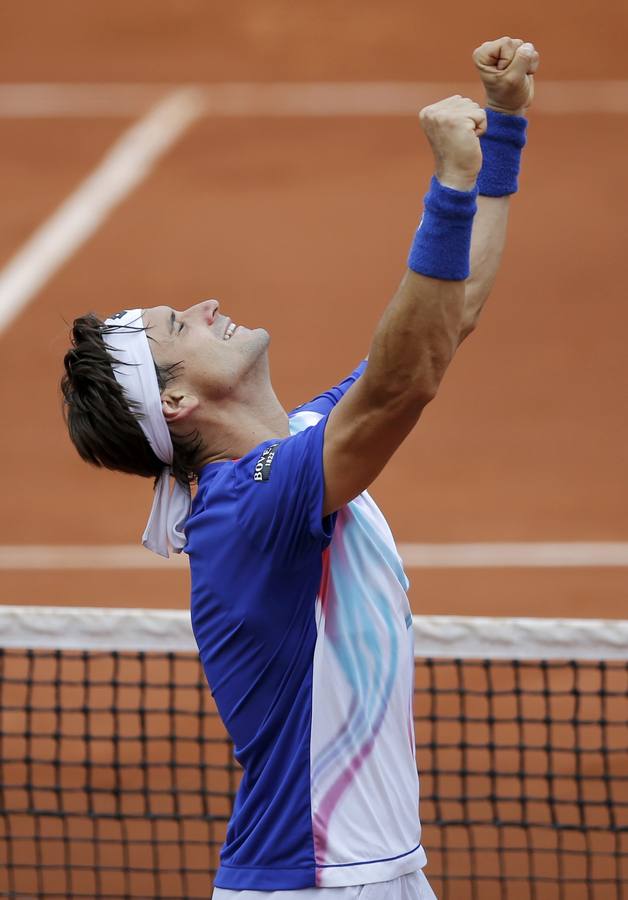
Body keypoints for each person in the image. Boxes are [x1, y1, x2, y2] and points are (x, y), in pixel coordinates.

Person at [61, 36, 539, 900]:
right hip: (318, 885)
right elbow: (402, 383)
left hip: (365, 876)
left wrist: (502, 135)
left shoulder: (291, 452)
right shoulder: (246, 508)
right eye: (181, 325)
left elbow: (444, 324)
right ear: (174, 404)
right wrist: (451, 185)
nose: (206, 305)